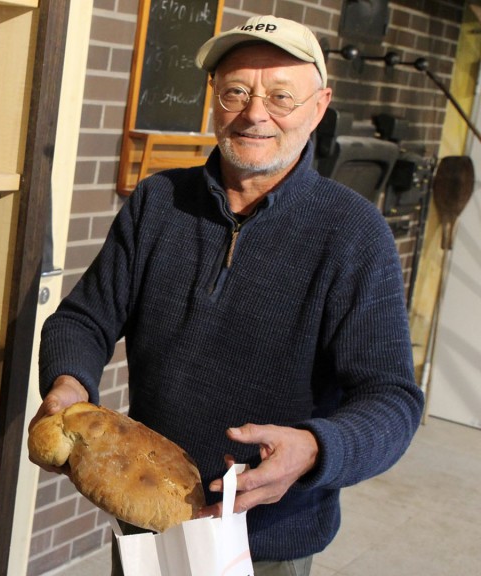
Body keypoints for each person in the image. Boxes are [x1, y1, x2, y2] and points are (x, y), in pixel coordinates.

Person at [30, 14, 424, 576]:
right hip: (148, 517)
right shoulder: (159, 202)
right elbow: (83, 319)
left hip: (264, 543)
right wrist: (68, 383)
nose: (255, 113)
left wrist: (315, 449)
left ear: (319, 106)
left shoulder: (354, 234)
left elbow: (393, 399)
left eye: (281, 96)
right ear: (214, 100)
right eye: (236, 91)